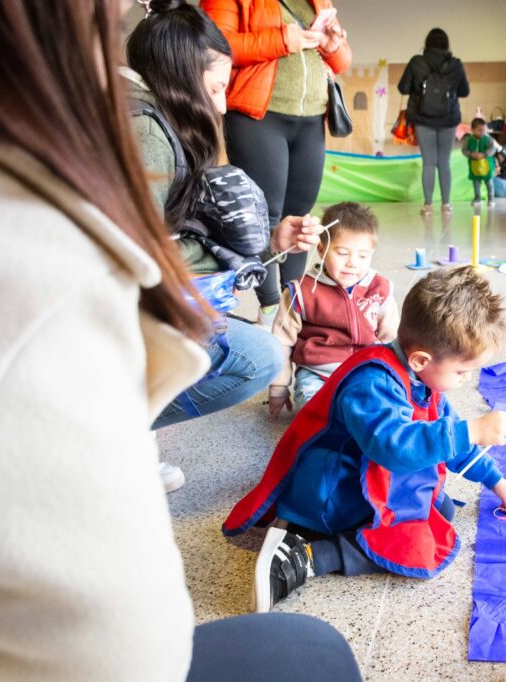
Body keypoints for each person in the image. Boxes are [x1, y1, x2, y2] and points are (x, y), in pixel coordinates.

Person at [0, 1, 360, 680]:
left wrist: (257, 254)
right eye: (219, 84)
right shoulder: (29, 253)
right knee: (255, 356)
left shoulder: (138, 140)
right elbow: (129, 654)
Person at [222, 266, 506, 612]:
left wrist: (494, 479)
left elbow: (448, 433)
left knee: (438, 509)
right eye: (461, 371)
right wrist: (472, 429)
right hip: (330, 491)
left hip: (362, 476)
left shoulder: (421, 376)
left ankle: (325, 541)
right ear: (421, 359)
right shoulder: (373, 382)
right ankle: (308, 556)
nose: (467, 380)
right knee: (416, 540)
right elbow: (393, 447)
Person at [125, 1, 318, 493]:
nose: (223, 105)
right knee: (257, 356)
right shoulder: (147, 132)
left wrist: (271, 243)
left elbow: (176, 230)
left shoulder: (161, 124)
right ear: (179, 77)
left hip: (153, 303)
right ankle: (113, 430)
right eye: (215, 88)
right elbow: (131, 256)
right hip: (126, 317)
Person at [201, 0, 351, 328]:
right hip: (258, 115)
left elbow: (343, 61)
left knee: (300, 221)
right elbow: (213, 45)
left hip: (311, 119)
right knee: (265, 217)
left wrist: (332, 44)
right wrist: (283, 39)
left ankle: (292, 307)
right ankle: (270, 307)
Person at [268, 202, 400, 417]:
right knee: (316, 415)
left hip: (365, 371)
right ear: (321, 250)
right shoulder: (300, 292)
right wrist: (278, 388)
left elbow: (391, 339)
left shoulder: (380, 289)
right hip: (316, 375)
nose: (352, 263)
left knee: (385, 410)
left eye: (363, 256)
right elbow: (282, 343)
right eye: (342, 253)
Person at [399, 28, 471, 217]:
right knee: (444, 162)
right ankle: (446, 205)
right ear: (446, 44)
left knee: (429, 163)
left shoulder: (417, 62)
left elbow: (403, 87)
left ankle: (428, 205)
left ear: (427, 43)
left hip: (423, 118)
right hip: (449, 119)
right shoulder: (455, 64)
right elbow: (464, 91)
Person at [462, 117, 500, 208]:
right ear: (472, 130)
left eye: (484, 130)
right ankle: (477, 198)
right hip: (474, 166)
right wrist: (471, 154)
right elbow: (464, 150)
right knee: (476, 183)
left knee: (489, 183)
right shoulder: (469, 140)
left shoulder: (488, 139)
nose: (482, 132)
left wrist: (484, 154)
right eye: (479, 130)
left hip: (487, 166)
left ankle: (491, 199)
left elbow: (493, 149)